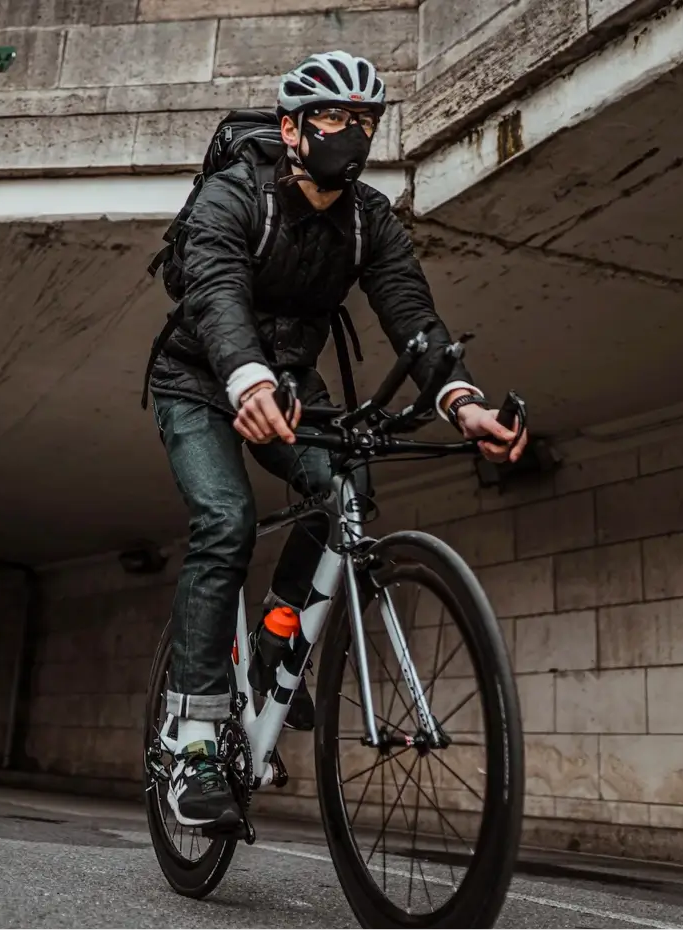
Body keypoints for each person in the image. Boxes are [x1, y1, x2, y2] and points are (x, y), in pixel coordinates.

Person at [147, 51, 529, 833]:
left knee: (342, 497)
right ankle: (188, 739)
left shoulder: (368, 218)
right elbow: (216, 288)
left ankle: (278, 638)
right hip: (200, 380)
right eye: (333, 118)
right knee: (227, 521)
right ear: (290, 127)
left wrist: (462, 401)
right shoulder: (233, 196)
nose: (351, 134)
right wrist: (247, 380)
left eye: (365, 121)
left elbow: (411, 316)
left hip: (295, 386)